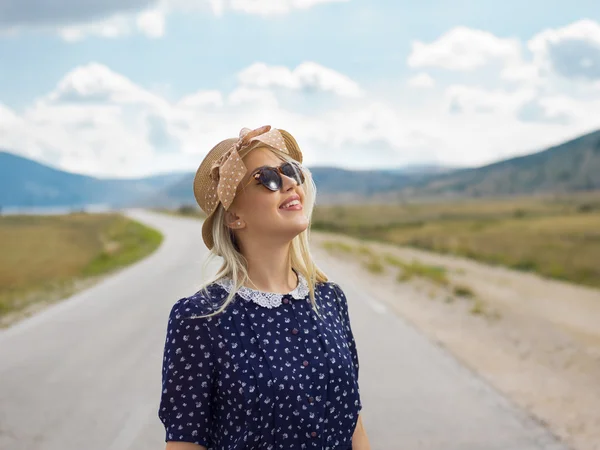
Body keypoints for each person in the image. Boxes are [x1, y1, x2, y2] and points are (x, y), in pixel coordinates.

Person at [158, 125, 371, 450]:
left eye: (290, 171)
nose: (288, 183)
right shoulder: (199, 318)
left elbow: (353, 424)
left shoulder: (330, 300)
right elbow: (185, 444)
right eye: (266, 179)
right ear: (233, 218)